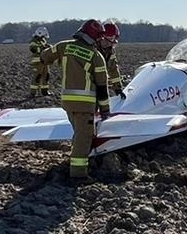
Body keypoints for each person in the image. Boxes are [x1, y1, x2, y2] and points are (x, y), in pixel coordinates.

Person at [39, 19, 111, 181]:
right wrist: (105, 109)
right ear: (95, 37)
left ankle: (75, 163)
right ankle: (78, 175)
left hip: (67, 102)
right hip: (85, 105)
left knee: (79, 133)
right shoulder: (96, 56)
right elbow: (102, 86)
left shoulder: (64, 46)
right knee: (84, 138)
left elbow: (44, 57)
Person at [100, 22, 125, 98]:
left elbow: (113, 69)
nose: (110, 43)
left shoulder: (110, 51)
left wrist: (118, 88)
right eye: (110, 38)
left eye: (113, 39)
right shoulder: (93, 49)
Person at [28, 27, 52, 97]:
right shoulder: (33, 41)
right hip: (37, 62)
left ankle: (45, 91)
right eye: (43, 35)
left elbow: (45, 46)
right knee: (37, 76)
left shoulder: (43, 40)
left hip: (45, 61)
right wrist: (43, 49)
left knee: (46, 75)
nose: (44, 37)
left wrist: (48, 47)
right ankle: (33, 93)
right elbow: (33, 49)